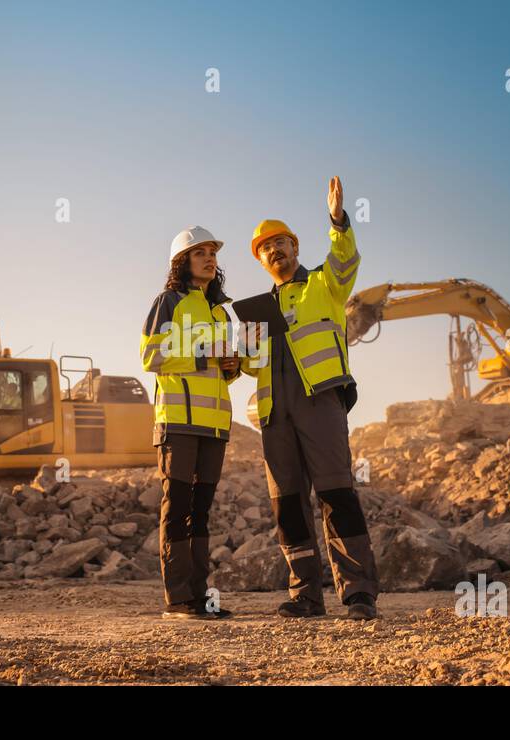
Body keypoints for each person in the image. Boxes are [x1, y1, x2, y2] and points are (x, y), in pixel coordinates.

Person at [241, 177, 381, 620]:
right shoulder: (255, 311)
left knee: (336, 493)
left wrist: (338, 220)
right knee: (288, 505)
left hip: (320, 402)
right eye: (266, 248)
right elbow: (247, 364)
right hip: (272, 412)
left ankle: (358, 592)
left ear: (295, 248)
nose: (274, 251)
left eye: (280, 242)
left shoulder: (325, 283)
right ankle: (305, 594)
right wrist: (233, 358)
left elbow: (345, 258)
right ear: (261, 260)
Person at [139, 226, 241, 619]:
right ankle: (177, 599)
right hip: (178, 423)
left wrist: (233, 366)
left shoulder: (221, 312)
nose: (210, 258)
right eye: (201, 253)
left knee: (200, 512)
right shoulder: (168, 301)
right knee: (177, 506)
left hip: (214, 426)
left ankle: (200, 599)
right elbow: (151, 355)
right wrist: (204, 355)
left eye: (213, 252)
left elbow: (224, 371)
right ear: (182, 262)